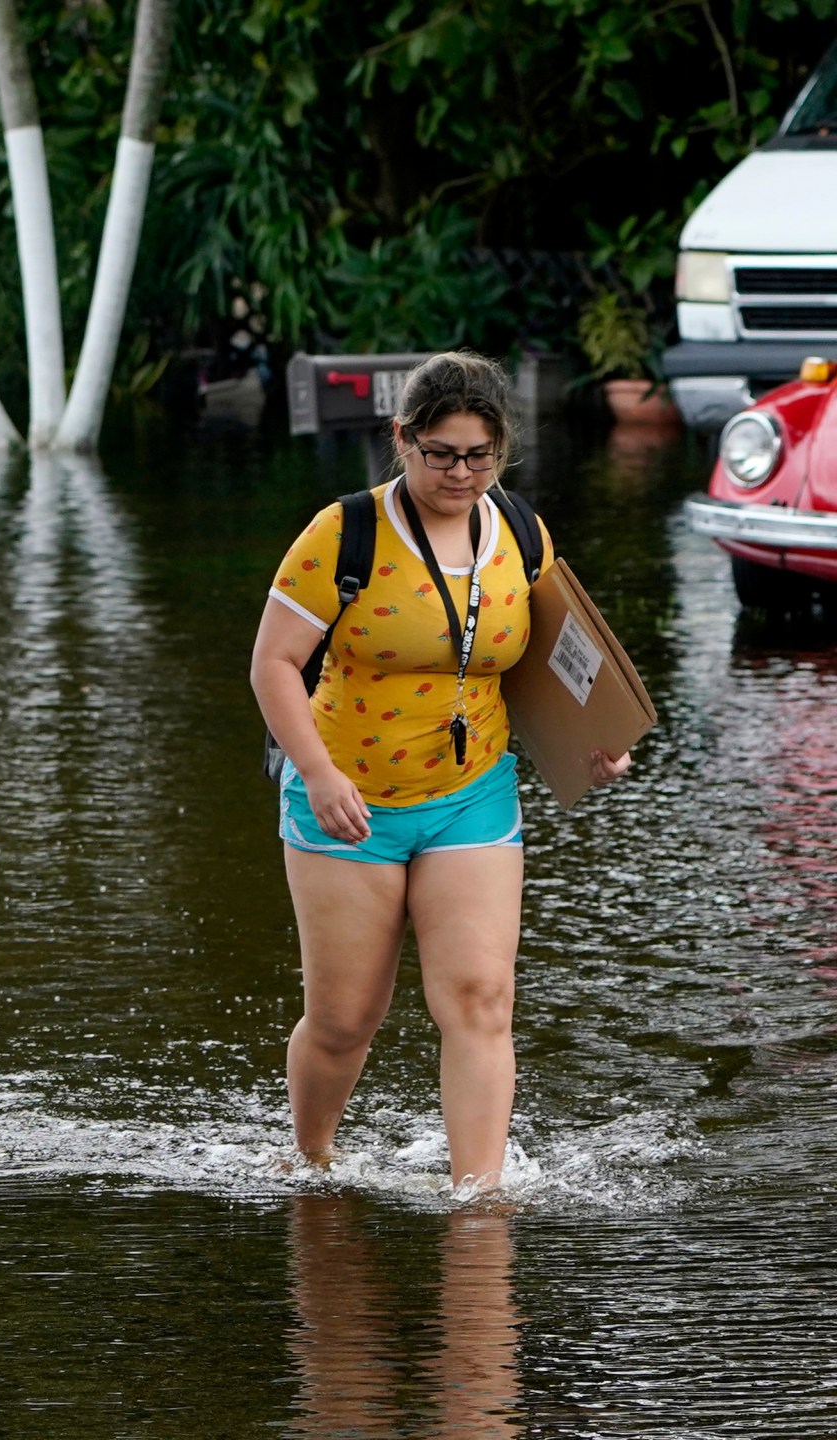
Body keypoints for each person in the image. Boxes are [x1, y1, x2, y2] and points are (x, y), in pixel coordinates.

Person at [249, 351, 629, 1193]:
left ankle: (478, 1198)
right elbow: (273, 665)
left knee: (482, 1000)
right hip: (349, 795)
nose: (461, 473)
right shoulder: (342, 533)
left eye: (479, 456)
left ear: (503, 450)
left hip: (471, 794)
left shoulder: (521, 533)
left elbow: (553, 663)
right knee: (348, 1021)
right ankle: (309, 1162)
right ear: (402, 439)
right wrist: (315, 773)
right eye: (440, 453)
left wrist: (595, 741)